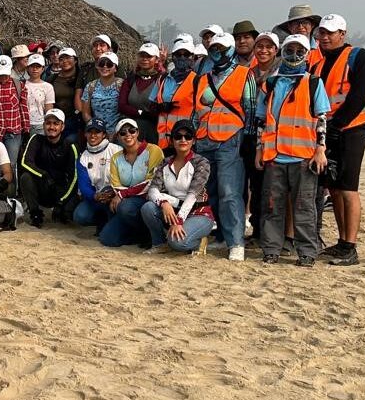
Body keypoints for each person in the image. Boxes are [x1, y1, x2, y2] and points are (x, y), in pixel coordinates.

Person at [255, 35, 330, 267]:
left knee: (304, 207)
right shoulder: (271, 83)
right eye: (290, 50)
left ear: (307, 54)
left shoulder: (313, 82)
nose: (294, 55)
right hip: (274, 156)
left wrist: (321, 148)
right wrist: (259, 149)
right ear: (283, 52)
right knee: (271, 207)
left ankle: (307, 252)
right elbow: (261, 120)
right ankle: (271, 250)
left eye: (299, 50)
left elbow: (322, 119)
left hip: (303, 157)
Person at [309, 14, 365, 267]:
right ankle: (341, 241)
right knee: (333, 188)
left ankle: (350, 244)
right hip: (327, 133)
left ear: (342, 34)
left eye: (330, 32)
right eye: (321, 33)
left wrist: (337, 125)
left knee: (348, 188)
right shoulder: (317, 65)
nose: (325, 37)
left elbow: (358, 96)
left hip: (352, 130)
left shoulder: (359, 57)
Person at [192, 32, 256, 261]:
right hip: (204, 141)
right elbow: (195, 113)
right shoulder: (202, 78)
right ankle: (218, 235)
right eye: (214, 49)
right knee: (208, 192)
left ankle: (236, 241)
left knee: (230, 192)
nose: (217, 53)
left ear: (231, 50)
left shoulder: (244, 74)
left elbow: (250, 108)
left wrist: (247, 140)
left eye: (222, 48)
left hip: (231, 140)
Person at [142, 121, 216, 254]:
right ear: (172, 140)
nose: (183, 140)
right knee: (148, 208)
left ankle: (200, 241)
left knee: (177, 242)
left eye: (188, 136)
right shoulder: (165, 162)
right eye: (178, 136)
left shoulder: (201, 163)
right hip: (173, 209)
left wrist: (179, 220)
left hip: (198, 213)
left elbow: (193, 195)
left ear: (193, 141)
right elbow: (153, 190)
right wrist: (163, 203)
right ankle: (160, 244)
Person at [98, 118, 164, 248]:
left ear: (138, 132)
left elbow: (151, 182)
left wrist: (124, 194)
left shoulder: (154, 150)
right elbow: (116, 185)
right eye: (122, 133)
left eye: (132, 130)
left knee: (125, 207)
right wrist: (123, 194)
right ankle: (137, 234)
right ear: (117, 137)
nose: (128, 134)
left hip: (150, 198)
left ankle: (148, 233)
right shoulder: (116, 158)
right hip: (129, 200)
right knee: (107, 239)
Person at [245, 32, 281, 244]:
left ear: (276, 50)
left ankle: (273, 235)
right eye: (260, 46)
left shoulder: (281, 75)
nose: (263, 50)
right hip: (251, 135)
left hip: (276, 138)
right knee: (256, 187)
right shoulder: (248, 74)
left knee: (274, 188)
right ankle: (258, 232)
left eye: (269, 46)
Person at [18, 109, 79, 227]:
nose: (51, 127)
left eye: (56, 123)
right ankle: (35, 214)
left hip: (61, 191)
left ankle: (62, 210)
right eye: (48, 123)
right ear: (44, 125)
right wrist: (44, 175)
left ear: (62, 126)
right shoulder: (36, 139)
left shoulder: (70, 146)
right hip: (42, 187)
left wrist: (61, 201)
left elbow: (74, 178)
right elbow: (25, 162)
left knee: (67, 217)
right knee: (25, 177)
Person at [72, 118, 122, 233]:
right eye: (90, 132)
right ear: (85, 134)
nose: (93, 135)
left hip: (116, 195)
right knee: (79, 216)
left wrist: (115, 193)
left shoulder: (117, 150)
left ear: (104, 134)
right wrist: (95, 196)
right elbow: (83, 185)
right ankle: (102, 220)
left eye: (97, 132)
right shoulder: (83, 158)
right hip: (96, 197)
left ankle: (113, 224)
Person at [153, 38, 199, 151]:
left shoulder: (197, 81)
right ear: (173, 57)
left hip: (185, 141)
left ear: (192, 57)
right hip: (163, 141)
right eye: (178, 54)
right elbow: (151, 105)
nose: (182, 58)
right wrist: (160, 107)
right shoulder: (162, 79)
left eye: (186, 54)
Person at [118, 43, 163, 145]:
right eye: (142, 56)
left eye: (149, 56)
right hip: (129, 130)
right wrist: (141, 113)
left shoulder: (161, 80)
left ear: (156, 59)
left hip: (152, 130)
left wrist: (148, 115)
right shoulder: (131, 79)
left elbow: (158, 109)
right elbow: (122, 105)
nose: (145, 59)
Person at [80, 52, 123, 130]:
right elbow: (86, 113)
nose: (105, 66)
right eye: (102, 64)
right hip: (97, 132)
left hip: (119, 131)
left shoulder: (122, 85)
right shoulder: (90, 86)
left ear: (115, 68)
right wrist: (96, 129)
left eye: (109, 64)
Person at [49, 47, 83, 138]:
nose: (64, 61)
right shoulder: (52, 78)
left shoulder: (82, 78)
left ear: (75, 60)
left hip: (76, 120)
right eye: (61, 59)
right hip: (57, 120)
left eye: (68, 58)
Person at [24, 54, 55, 137]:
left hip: (40, 125)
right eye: (32, 66)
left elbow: (49, 109)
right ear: (27, 68)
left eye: (38, 67)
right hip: (24, 124)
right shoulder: (21, 85)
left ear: (43, 69)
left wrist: (48, 126)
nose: (35, 69)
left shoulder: (48, 87)